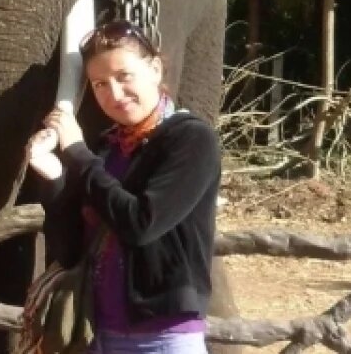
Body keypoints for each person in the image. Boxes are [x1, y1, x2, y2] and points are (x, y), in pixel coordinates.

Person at [26, 20, 221, 354]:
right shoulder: (107, 149)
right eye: (100, 84)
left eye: (123, 76)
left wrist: (77, 154)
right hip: (97, 333)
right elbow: (69, 251)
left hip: (165, 336)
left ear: (155, 69)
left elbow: (141, 224)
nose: (113, 94)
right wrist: (55, 180)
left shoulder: (191, 140)